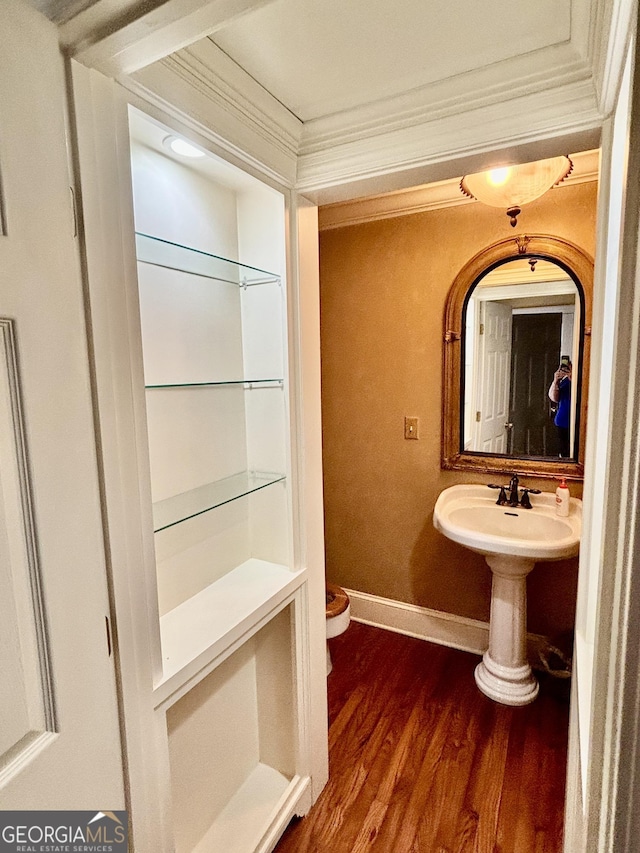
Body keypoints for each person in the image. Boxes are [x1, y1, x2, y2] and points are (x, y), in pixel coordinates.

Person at [549, 360, 572, 457]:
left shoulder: (585, 381)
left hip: (575, 424)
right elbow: (554, 398)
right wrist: (556, 382)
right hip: (562, 423)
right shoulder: (564, 381)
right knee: (564, 454)